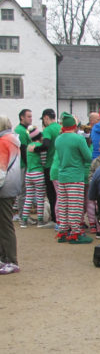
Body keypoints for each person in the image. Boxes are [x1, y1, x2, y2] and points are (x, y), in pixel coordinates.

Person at [53, 113, 93, 244]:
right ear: (74, 126)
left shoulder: (58, 139)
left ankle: (63, 230)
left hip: (62, 175)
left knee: (64, 205)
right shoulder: (78, 139)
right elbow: (88, 157)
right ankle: (76, 232)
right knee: (75, 205)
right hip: (75, 175)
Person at [0, 115, 23, 274]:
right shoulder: (12, 140)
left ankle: (10, 260)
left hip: (4, 187)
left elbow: (1, 169)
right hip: (12, 184)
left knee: (5, 225)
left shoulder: (3, 142)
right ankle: (5, 258)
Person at [20, 126, 46, 227]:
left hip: (29, 174)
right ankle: (40, 221)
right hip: (38, 173)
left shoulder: (28, 146)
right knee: (40, 197)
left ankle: (24, 220)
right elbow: (43, 161)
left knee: (28, 197)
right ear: (39, 136)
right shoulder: (40, 146)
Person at [38, 108, 60, 224]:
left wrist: (35, 148)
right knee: (60, 193)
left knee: (51, 194)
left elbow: (45, 145)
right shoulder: (60, 127)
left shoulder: (48, 130)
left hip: (50, 164)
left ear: (46, 118)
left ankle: (55, 218)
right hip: (61, 164)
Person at [14, 109, 32, 219]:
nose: (31, 118)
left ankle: (24, 214)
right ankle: (22, 215)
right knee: (23, 191)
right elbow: (23, 149)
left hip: (24, 164)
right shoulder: (20, 130)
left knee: (25, 191)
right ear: (22, 117)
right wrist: (29, 165)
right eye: (28, 116)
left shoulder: (25, 130)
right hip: (22, 165)